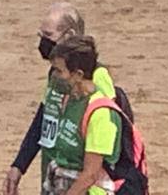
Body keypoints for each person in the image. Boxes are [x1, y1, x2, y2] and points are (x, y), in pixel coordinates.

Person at [4, 3, 116, 195]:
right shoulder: (57, 74)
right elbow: (45, 118)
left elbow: (109, 131)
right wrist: (19, 165)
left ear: (69, 34)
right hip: (54, 173)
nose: (43, 42)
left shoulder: (97, 77)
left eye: (48, 35)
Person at [44, 36, 121, 195]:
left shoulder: (100, 113)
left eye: (59, 71)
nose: (55, 76)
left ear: (78, 74)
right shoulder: (69, 99)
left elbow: (90, 175)